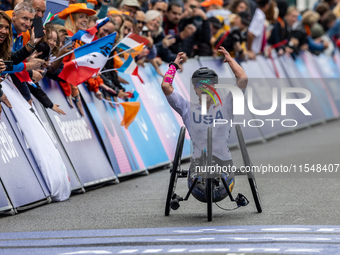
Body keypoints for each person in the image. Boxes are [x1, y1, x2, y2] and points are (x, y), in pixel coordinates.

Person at [161, 46, 247, 202]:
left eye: (209, 83)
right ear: (195, 88)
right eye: (200, 84)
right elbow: (166, 87)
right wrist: (173, 67)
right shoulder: (187, 108)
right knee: (203, 187)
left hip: (223, 163)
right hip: (197, 166)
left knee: (217, 186)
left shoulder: (227, 104)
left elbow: (243, 79)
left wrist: (231, 61)